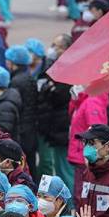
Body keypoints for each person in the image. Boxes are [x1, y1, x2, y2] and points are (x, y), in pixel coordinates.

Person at [37, 34, 74, 191]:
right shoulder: (54, 66)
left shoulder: (70, 70)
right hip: (56, 127)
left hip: (63, 127)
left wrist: (50, 90)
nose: (52, 49)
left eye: (57, 46)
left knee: (66, 171)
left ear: (66, 49)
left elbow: (60, 95)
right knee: (60, 168)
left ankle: (71, 204)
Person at [5, 45, 38, 173]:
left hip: (22, 131)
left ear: (14, 63)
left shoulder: (16, 81)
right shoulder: (28, 77)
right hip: (31, 129)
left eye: (8, 60)